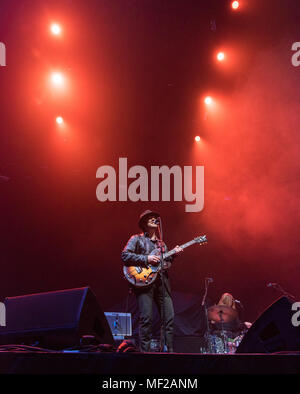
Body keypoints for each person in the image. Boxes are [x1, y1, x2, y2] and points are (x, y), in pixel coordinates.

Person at [121, 209, 183, 352]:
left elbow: (165, 264)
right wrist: (146, 258)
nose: (154, 218)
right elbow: (125, 255)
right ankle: (145, 353)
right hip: (143, 282)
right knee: (146, 319)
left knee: (169, 318)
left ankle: (168, 351)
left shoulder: (162, 244)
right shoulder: (136, 239)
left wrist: (174, 255)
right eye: (150, 217)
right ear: (144, 223)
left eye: (155, 217)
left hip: (162, 282)